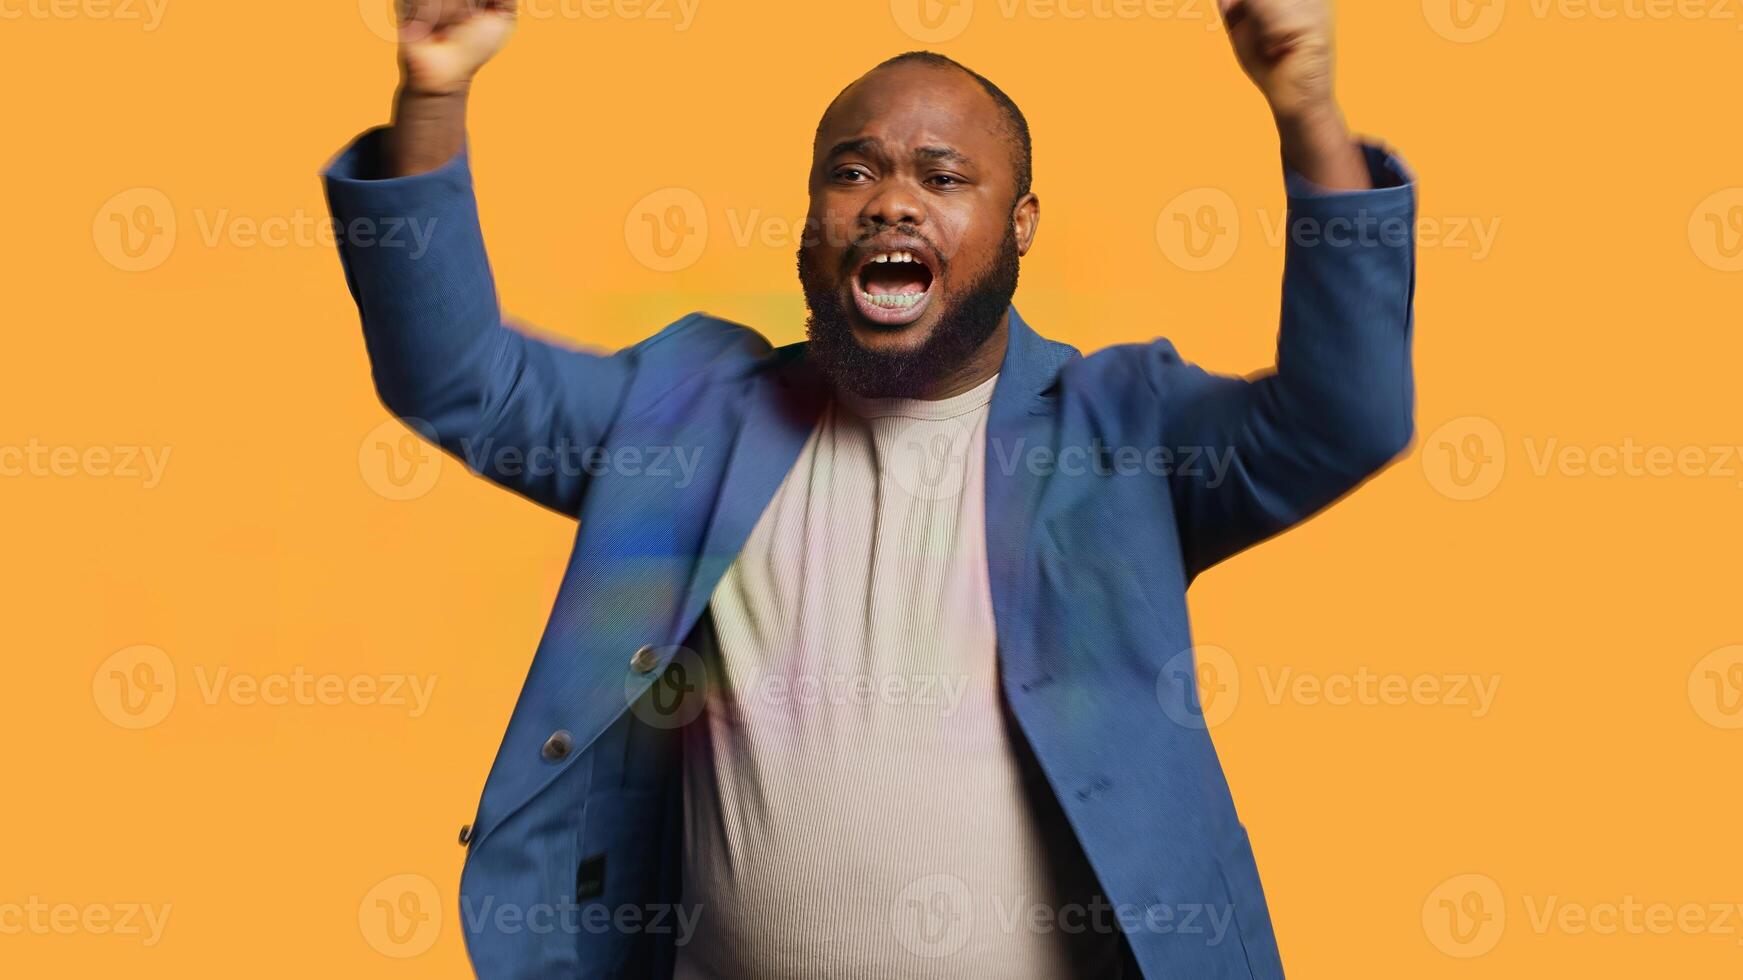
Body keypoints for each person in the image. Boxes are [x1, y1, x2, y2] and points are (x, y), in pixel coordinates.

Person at [322, 1, 1417, 975]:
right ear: (813, 217)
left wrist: (1306, 111)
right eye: (854, 172)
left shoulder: (1119, 428)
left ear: (1019, 225)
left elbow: (1345, 417)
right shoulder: (689, 414)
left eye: (942, 177)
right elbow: (458, 379)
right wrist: (436, 87)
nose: (892, 203)